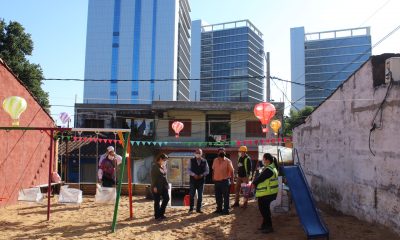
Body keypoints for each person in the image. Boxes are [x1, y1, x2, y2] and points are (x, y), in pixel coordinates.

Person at [252, 153, 279, 234]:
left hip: (267, 193)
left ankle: (269, 227)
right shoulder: (272, 168)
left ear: (267, 160)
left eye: (264, 159)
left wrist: (254, 183)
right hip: (269, 193)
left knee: (264, 210)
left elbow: (260, 178)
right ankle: (264, 225)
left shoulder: (269, 169)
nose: (263, 161)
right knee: (264, 210)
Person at [212, 147, 234, 215]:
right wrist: (213, 177)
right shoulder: (215, 160)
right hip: (216, 181)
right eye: (220, 152)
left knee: (226, 196)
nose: (222, 153)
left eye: (223, 152)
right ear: (218, 153)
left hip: (225, 181)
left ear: (225, 153)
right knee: (218, 196)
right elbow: (213, 169)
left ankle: (226, 210)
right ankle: (219, 209)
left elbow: (232, 171)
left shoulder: (228, 161)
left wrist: (232, 180)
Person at [188, 149, 209, 213]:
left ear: (201, 153)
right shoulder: (191, 160)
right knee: (191, 195)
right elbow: (188, 170)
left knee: (200, 196)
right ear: (195, 153)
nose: (198, 154)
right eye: (197, 153)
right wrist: (194, 175)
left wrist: (202, 175)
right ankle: (191, 209)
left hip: (201, 181)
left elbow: (207, 171)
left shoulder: (204, 161)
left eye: (199, 153)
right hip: (193, 181)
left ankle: (198, 209)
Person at [151, 153, 170, 220]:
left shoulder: (164, 166)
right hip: (156, 186)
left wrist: (167, 184)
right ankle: (157, 215)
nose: (166, 161)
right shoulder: (155, 167)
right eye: (165, 160)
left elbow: (165, 177)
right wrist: (154, 187)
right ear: (161, 159)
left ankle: (161, 213)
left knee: (167, 198)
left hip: (163, 186)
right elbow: (153, 178)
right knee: (157, 201)